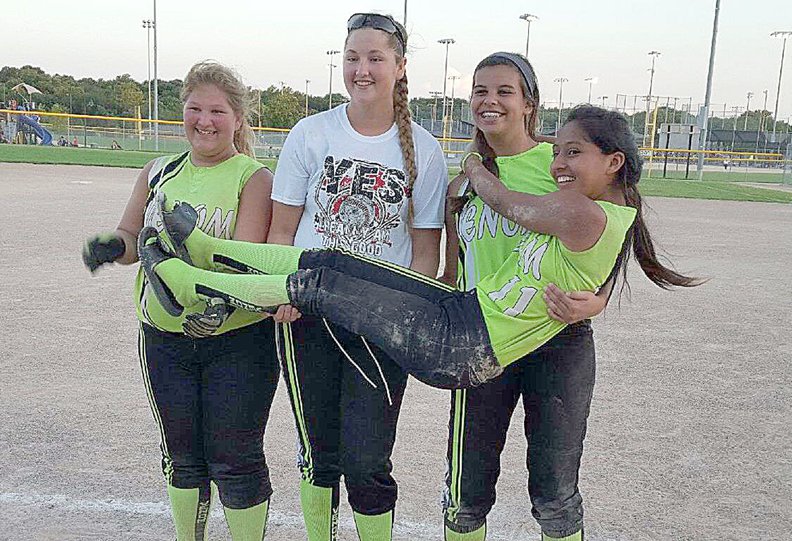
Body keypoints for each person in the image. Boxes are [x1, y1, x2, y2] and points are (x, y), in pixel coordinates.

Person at [137, 104, 702, 393]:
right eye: (558, 152)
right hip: (462, 315)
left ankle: (195, 281)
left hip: (463, 344)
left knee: (323, 287)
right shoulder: (607, 216)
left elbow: (507, 203)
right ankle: (209, 250)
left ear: (614, 163)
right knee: (337, 262)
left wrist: (478, 170)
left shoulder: (585, 211)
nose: (558, 165)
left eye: (573, 153)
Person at [266, 12, 447, 541]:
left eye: (374, 57)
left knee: (367, 460)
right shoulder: (312, 132)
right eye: (352, 57)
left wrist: (405, 322)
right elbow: (281, 231)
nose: (361, 69)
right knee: (318, 454)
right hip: (306, 313)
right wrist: (280, 291)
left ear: (400, 66)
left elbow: (424, 252)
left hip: (379, 323)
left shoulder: (425, 151)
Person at [81, 60, 277, 541]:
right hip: (164, 341)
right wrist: (114, 246)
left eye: (217, 110)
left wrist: (220, 309)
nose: (204, 121)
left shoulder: (253, 178)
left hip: (238, 344)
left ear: (237, 119)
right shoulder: (158, 171)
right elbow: (132, 238)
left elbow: (244, 261)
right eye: (195, 109)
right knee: (182, 455)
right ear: (182, 112)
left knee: (236, 459)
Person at [439, 53, 608, 541]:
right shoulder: (460, 185)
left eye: (504, 91)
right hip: (482, 343)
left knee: (555, 493)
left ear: (529, 104)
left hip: (556, 339)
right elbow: (452, 274)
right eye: (480, 91)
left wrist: (596, 300)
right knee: (465, 493)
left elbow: (610, 234)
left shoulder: (558, 164)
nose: (489, 101)